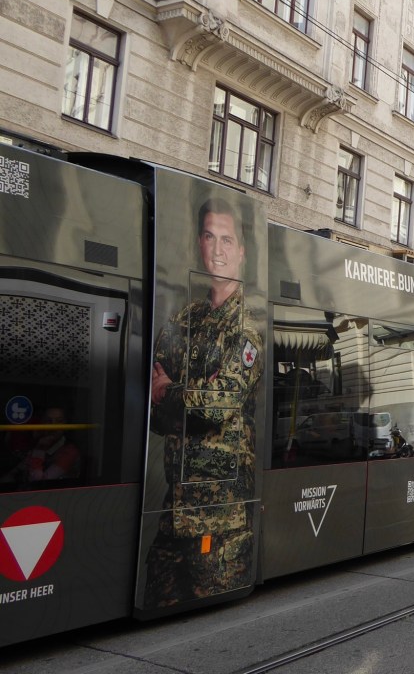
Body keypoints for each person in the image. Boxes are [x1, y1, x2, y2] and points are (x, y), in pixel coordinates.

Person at [145, 197, 263, 608]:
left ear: (241, 251)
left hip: (221, 519)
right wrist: (184, 399)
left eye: (227, 240)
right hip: (175, 512)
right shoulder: (183, 319)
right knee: (156, 608)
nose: (217, 249)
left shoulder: (247, 327)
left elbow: (218, 404)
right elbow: (153, 410)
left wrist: (171, 391)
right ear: (199, 244)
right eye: (210, 237)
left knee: (215, 621)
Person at [1, 407, 80, 485]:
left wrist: (40, 449)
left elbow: (38, 483)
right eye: (48, 421)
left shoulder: (70, 451)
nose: (53, 426)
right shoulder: (43, 442)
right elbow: (17, 471)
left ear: (66, 424)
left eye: (59, 421)